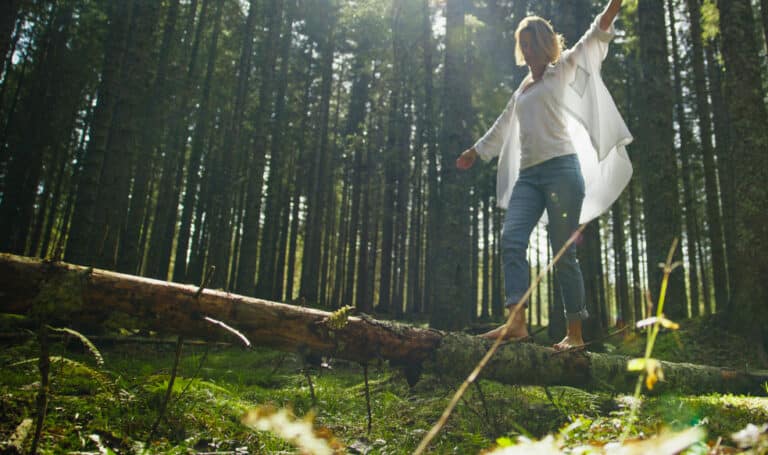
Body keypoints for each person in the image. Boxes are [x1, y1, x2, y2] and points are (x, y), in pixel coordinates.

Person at [456, 0, 632, 350]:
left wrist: (613, 6)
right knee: (511, 238)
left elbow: (593, 36)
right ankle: (516, 323)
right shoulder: (522, 89)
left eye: (532, 42)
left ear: (545, 44)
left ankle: (575, 335)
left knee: (563, 253)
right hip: (529, 178)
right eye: (522, 43)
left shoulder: (562, 69)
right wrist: (476, 150)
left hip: (563, 172)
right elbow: (503, 124)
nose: (527, 49)